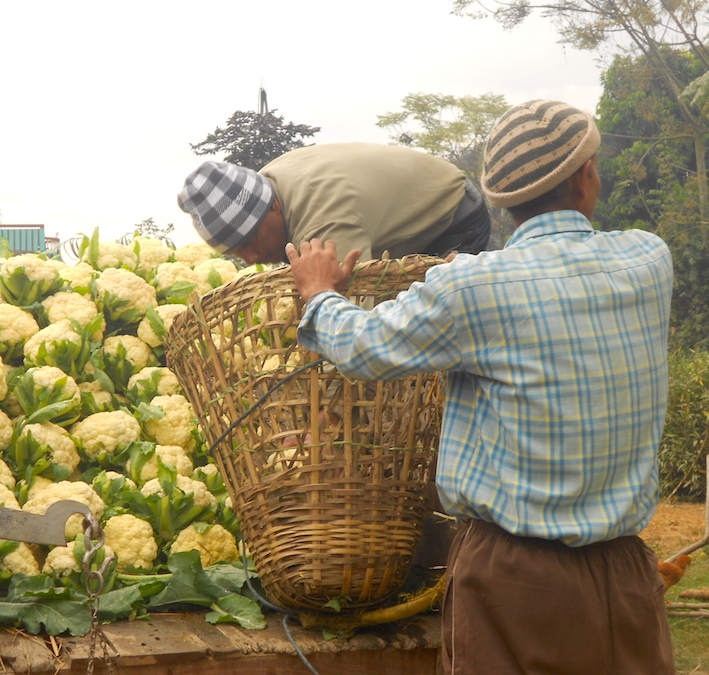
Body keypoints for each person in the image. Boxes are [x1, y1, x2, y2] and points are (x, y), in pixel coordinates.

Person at [283, 100, 675, 674]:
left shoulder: (471, 288)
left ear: (500, 200)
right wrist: (465, 288)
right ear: (586, 176)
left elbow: (364, 349)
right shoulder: (650, 260)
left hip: (514, 579)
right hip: (626, 575)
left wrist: (319, 294)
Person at [177, 142, 491, 264]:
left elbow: (355, 322)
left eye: (252, 240)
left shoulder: (323, 221)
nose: (253, 257)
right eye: (237, 252)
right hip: (390, 230)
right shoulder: (267, 186)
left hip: (451, 218)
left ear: (272, 207)